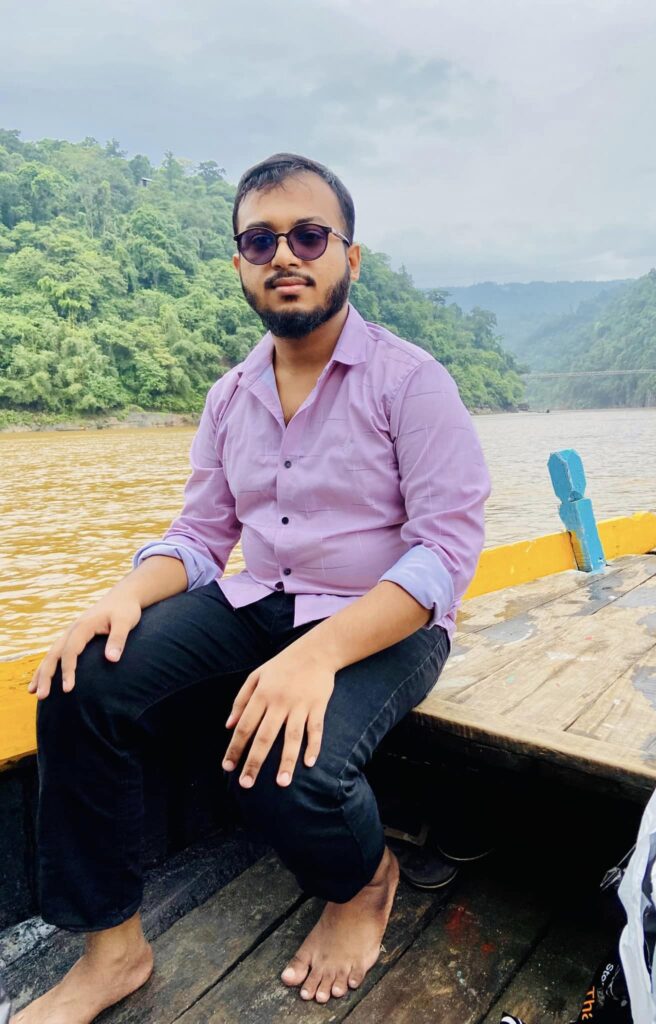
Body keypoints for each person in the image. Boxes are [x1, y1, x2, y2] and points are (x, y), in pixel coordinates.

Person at [14, 153, 491, 1023]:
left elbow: (445, 554)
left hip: (385, 617)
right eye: (261, 239)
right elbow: (202, 537)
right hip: (261, 599)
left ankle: (364, 884)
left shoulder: (411, 382)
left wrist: (318, 655)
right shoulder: (230, 394)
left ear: (351, 256)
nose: (286, 254)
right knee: (85, 680)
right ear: (239, 263)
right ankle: (112, 951)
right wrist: (127, 594)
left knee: (286, 767)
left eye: (310, 235)